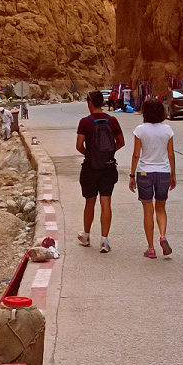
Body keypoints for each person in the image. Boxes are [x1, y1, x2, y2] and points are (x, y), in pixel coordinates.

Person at [76, 90, 125, 253]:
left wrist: (91, 155)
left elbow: (79, 146)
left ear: (90, 103)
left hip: (90, 168)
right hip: (108, 167)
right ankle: (104, 240)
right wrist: (107, 153)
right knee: (106, 202)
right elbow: (121, 142)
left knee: (89, 202)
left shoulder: (85, 122)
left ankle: (86, 236)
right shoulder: (112, 120)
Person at [128, 97, 176, 259]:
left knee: (148, 211)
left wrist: (132, 175)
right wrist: (173, 174)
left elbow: (136, 155)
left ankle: (150, 248)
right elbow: (171, 154)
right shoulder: (167, 130)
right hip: (163, 172)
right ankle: (162, 236)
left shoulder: (140, 130)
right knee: (161, 208)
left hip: (145, 173)